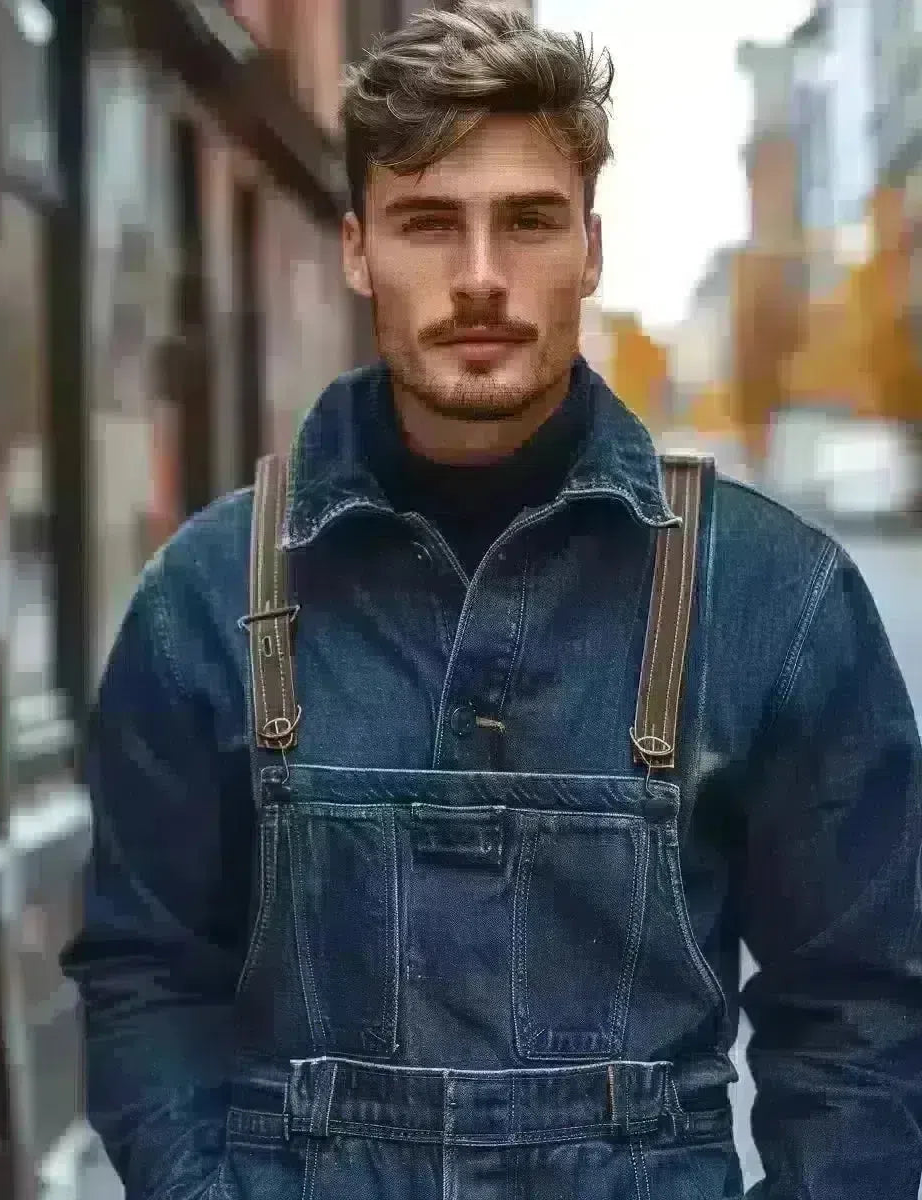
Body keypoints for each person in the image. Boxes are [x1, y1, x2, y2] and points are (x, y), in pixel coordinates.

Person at [60, 4, 922, 1198]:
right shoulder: (207, 601)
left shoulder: (773, 600)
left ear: (592, 249)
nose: (479, 278)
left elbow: (863, 1013)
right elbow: (146, 973)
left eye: (527, 223)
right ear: (358, 249)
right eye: (428, 222)